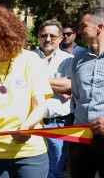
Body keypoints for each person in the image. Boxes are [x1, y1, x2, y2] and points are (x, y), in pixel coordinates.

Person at [0, 6, 53, 178]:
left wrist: (26, 127)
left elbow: (39, 105)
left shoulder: (30, 60)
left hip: (30, 152)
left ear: (7, 36)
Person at [70, 7, 104, 178]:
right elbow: (76, 96)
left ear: (100, 27)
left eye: (83, 26)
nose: (79, 31)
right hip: (80, 136)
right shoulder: (78, 61)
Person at [34, 19, 73, 178]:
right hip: (34, 124)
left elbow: (69, 87)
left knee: (55, 172)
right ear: (38, 37)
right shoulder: (28, 57)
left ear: (61, 38)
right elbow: (23, 86)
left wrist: (37, 81)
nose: (48, 39)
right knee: (33, 171)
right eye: (44, 35)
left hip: (59, 124)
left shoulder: (68, 59)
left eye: (52, 35)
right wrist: (58, 85)